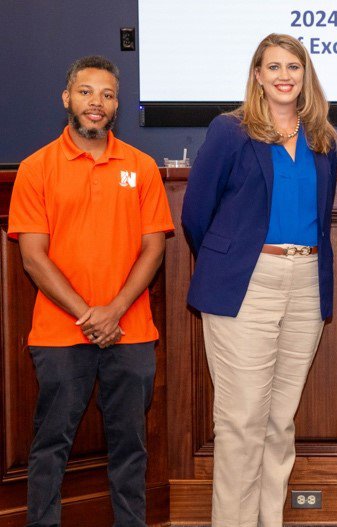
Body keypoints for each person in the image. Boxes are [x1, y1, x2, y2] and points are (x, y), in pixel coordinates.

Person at [8, 55, 174, 526]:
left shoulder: (141, 167)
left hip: (130, 330)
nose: (95, 102)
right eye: (85, 92)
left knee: (131, 446)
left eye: (106, 94)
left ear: (117, 105)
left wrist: (114, 311)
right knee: (50, 446)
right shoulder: (36, 168)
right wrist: (90, 315)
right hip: (60, 333)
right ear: (67, 98)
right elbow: (33, 257)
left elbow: (154, 249)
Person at [181, 33, 337, 527]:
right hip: (246, 283)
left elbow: (321, 215)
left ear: (305, 74)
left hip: (306, 282)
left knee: (279, 421)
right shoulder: (231, 131)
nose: (284, 76)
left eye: (293, 66)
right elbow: (196, 214)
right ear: (257, 75)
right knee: (242, 420)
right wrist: (231, 259)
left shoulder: (322, 138)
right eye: (274, 67)